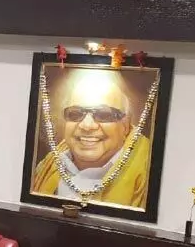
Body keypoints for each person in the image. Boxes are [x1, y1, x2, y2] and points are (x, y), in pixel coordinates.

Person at [31, 68, 151, 208]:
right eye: (75, 114)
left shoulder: (148, 169)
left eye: (103, 115)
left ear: (125, 125)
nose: (87, 126)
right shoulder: (49, 163)